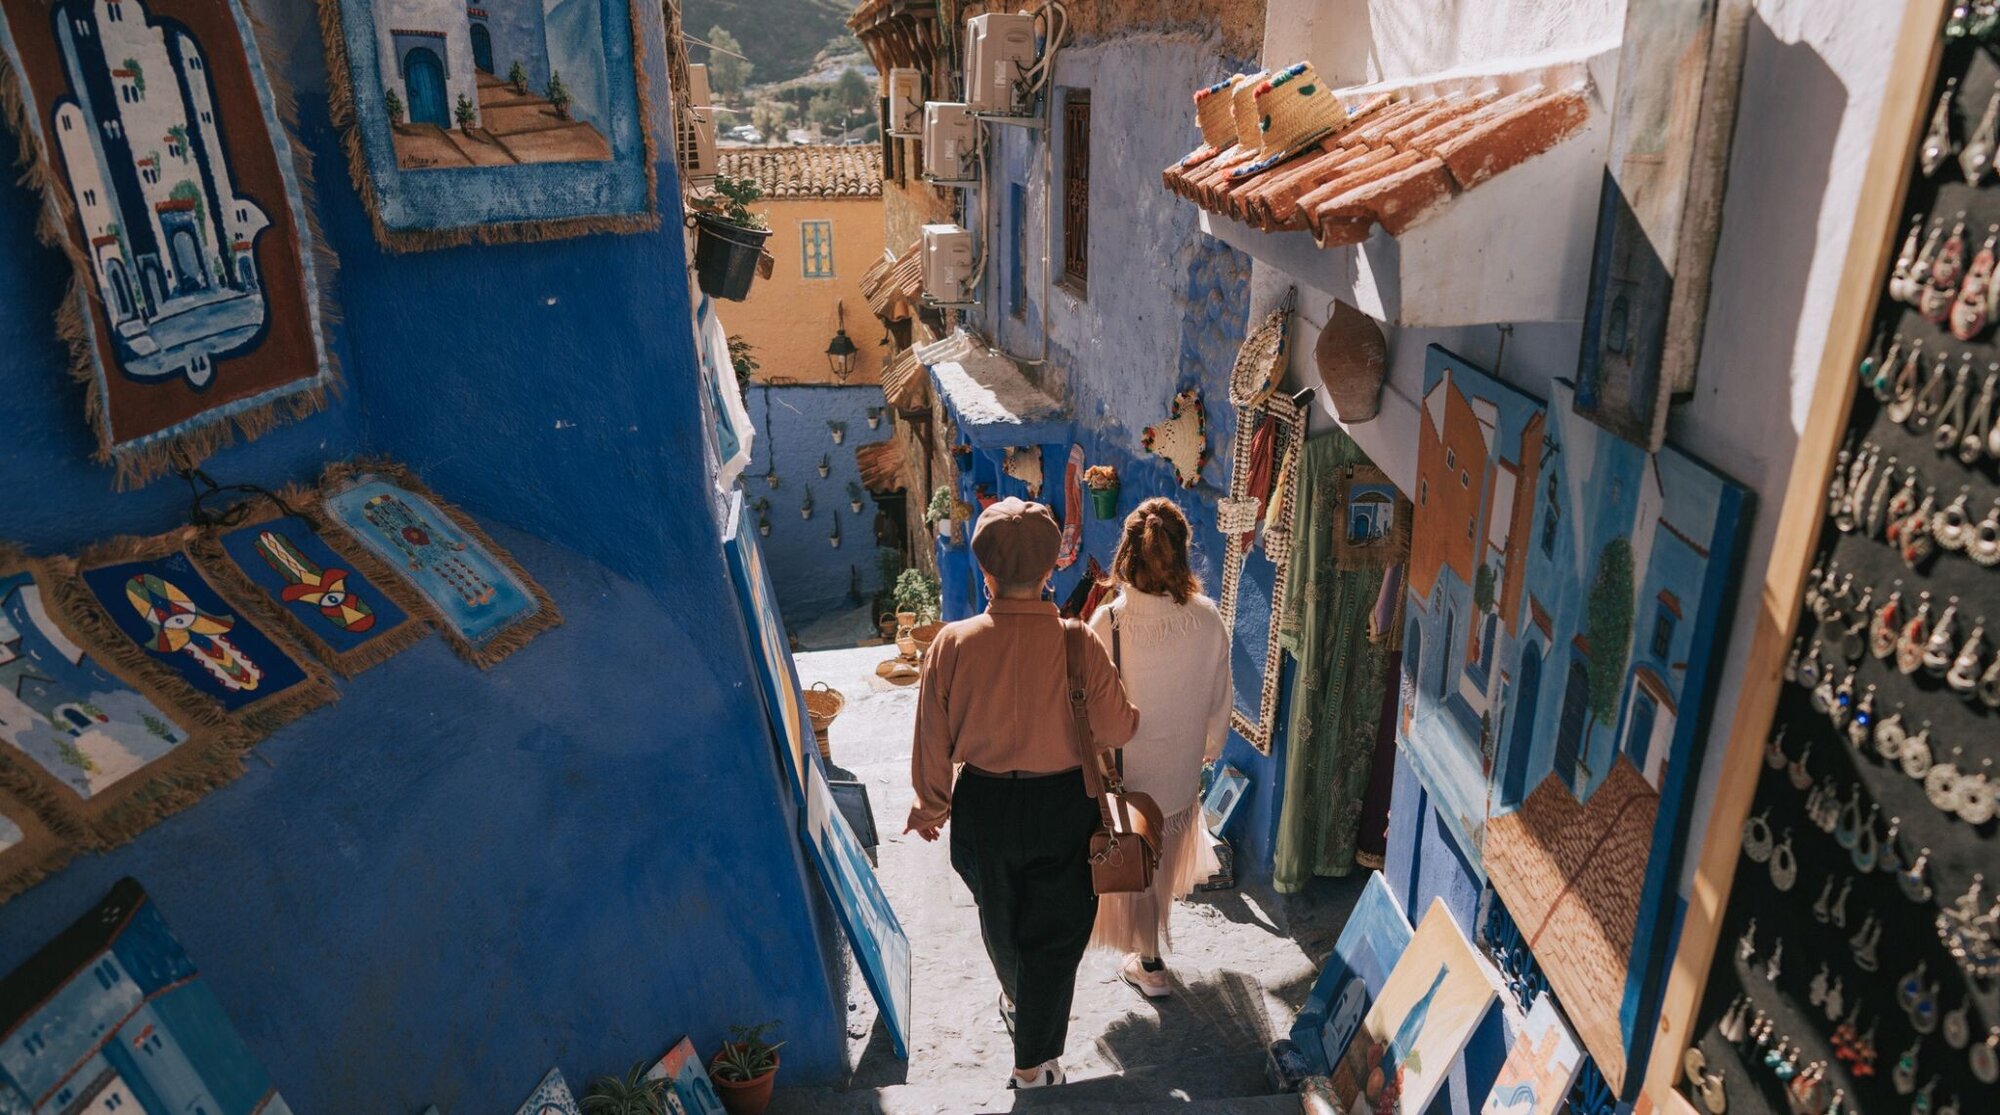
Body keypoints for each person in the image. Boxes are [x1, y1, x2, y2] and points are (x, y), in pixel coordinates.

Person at [906, 497, 1139, 1089]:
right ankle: (1033, 1065)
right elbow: (1118, 728)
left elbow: (931, 735)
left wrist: (931, 805)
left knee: (1002, 921)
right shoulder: (1078, 641)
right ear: (1051, 569)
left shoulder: (952, 643)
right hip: (1064, 806)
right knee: (1055, 938)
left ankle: (1020, 1006)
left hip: (983, 808)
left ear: (985, 573)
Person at [1087, 497, 1230, 998]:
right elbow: (1219, 701)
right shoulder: (1208, 619)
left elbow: (1088, 705)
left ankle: (1148, 963)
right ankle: (1147, 956)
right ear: (1181, 552)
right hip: (1178, 776)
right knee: (1160, 867)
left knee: (1136, 862)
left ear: (1126, 552)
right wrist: (1209, 746)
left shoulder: (1107, 624)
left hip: (1126, 780)